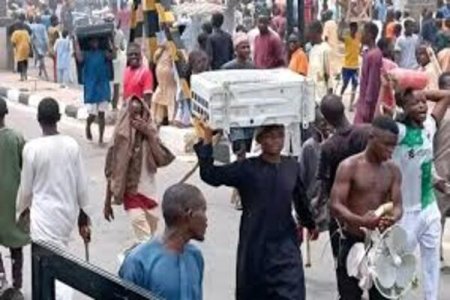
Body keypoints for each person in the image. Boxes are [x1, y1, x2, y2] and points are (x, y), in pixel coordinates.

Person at [195, 123, 318, 300]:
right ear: (259, 140)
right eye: (269, 136)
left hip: (286, 247)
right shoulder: (245, 168)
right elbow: (209, 174)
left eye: (279, 135)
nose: (275, 141)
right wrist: (207, 139)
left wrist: (310, 224)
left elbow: (300, 198)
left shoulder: (292, 166)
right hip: (255, 246)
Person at [17, 98, 91, 300]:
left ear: (38, 119)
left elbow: (26, 189)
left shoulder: (32, 149)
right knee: (59, 257)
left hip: (43, 217)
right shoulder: (71, 145)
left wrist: (20, 210)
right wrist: (83, 216)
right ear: (58, 118)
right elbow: (81, 184)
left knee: (48, 263)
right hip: (66, 214)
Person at [388, 83, 450, 300]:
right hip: (406, 213)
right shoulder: (399, 133)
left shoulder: (429, 127)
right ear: (404, 107)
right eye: (416, 103)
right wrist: (399, 98)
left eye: (424, 102)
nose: (423, 106)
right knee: (396, 264)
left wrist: (438, 181)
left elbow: (446, 96)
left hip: (429, 207)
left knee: (431, 263)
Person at [330, 115, 403, 300]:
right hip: (353, 241)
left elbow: (398, 206)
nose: (391, 150)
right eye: (386, 144)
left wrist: (392, 218)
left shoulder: (393, 170)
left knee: (383, 297)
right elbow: (336, 205)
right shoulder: (349, 166)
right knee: (349, 296)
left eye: (394, 145)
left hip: (381, 245)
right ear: (372, 138)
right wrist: (361, 221)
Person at [104, 96, 174, 242]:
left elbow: (162, 159)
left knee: (149, 238)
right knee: (145, 238)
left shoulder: (150, 136)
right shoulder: (120, 140)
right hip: (132, 194)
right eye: (133, 114)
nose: (136, 118)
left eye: (139, 114)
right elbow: (112, 170)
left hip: (150, 194)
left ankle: (135, 259)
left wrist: (149, 134)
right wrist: (107, 201)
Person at [119, 183, 206, 299]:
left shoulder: (196, 257)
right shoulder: (139, 261)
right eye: (203, 211)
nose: (206, 219)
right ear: (189, 215)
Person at [317, 95, 370, 272]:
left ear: (325, 119)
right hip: (367, 205)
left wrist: (316, 208)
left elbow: (324, 186)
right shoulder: (366, 132)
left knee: (342, 260)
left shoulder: (328, 147)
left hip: (341, 213)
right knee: (369, 253)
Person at [0, 98, 29, 295]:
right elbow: (27, 169)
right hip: (14, 203)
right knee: (16, 244)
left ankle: (2, 279)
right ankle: (17, 284)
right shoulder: (17, 138)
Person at [74, 37, 114, 145]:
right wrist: (76, 43)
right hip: (92, 87)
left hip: (102, 85)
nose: (95, 43)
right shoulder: (86, 54)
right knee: (92, 115)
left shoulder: (103, 52)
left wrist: (112, 43)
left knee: (101, 114)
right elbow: (79, 59)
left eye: (96, 41)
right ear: (90, 43)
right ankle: (88, 125)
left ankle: (101, 138)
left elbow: (112, 56)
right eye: (93, 41)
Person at [354, 22, 383, 124]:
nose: (360, 36)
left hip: (367, 104)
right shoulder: (368, 53)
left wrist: (367, 104)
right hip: (363, 101)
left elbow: (372, 82)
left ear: (370, 35)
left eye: (362, 33)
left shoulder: (374, 55)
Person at [307, 21, 333, 102]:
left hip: (321, 94)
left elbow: (329, 74)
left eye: (311, 33)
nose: (309, 35)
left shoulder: (326, 49)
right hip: (312, 93)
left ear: (317, 33)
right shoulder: (312, 49)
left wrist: (329, 96)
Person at [152, 43, 177, 126]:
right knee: (169, 95)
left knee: (160, 96)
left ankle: (158, 118)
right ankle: (170, 118)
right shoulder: (171, 49)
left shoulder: (159, 52)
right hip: (167, 73)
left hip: (160, 73)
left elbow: (154, 59)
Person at [338, 22, 361, 111]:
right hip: (347, 66)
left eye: (354, 28)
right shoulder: (347, 39)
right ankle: (340, 97)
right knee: (345, 84)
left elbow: (360, 47)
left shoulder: (358, 39)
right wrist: (341, 25)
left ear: (356, 29)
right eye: (352, 28)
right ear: (350, 29)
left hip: (355, 67)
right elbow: (339, 37)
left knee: (354, 86)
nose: (353, 30)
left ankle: (351, 104)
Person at [30, 15, 49, 80]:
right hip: (43, 45)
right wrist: (47, 45)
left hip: (36, 45)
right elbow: (46, 37)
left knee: (40, 59)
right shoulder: (43, 27)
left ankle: (44, 74)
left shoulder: (33, 27)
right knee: (41, 59)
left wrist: (31, 43)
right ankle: (43, 73)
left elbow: (32, 37)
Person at [322, 10, 340, 77]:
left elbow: (326, 35)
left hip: (329, 44)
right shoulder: (334, 23)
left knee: (329, 60)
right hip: (335, 43)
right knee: (335, 59)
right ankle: (336, 73)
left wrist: (324, 44)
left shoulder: (327, 24)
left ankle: (331, 74)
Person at [48, 15, 60, 83]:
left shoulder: (51, 28)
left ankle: (56, 78)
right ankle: (56, 79)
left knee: (56, 64)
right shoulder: (52, 29)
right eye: (56, 20)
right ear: (53, 21)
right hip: (54, 49)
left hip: (54, 48)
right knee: (56, 65)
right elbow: (56, 33)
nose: (57, 21)